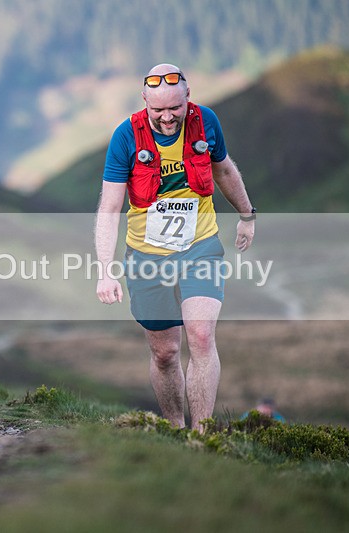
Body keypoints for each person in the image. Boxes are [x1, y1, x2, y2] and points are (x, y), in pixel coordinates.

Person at [95, 64, 256, 433]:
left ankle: (202, 437)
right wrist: (106, 269)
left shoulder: (206, 122)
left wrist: (247, 215)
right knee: (165, 353)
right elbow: (109, 208)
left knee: (201, 336)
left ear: (188, 97)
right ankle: (175, 429)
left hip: (200, 246)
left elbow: (225, 171)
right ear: (145, 103)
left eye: (175, 108)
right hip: (147, 256)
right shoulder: (126, 137)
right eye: (158, 111)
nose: (168, 118)